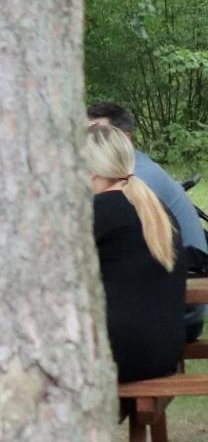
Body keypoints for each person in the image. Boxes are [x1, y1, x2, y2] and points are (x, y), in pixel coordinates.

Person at [88, 101, 205, 339]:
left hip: (174, 317)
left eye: (99, 134)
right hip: (164, 330)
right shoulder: (136, 185)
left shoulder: (126, 191)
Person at [86, 122, 186, 383]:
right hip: (162, 353)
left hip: (119, 355)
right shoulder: (155, 207)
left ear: (89, 172)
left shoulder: (98, 211)